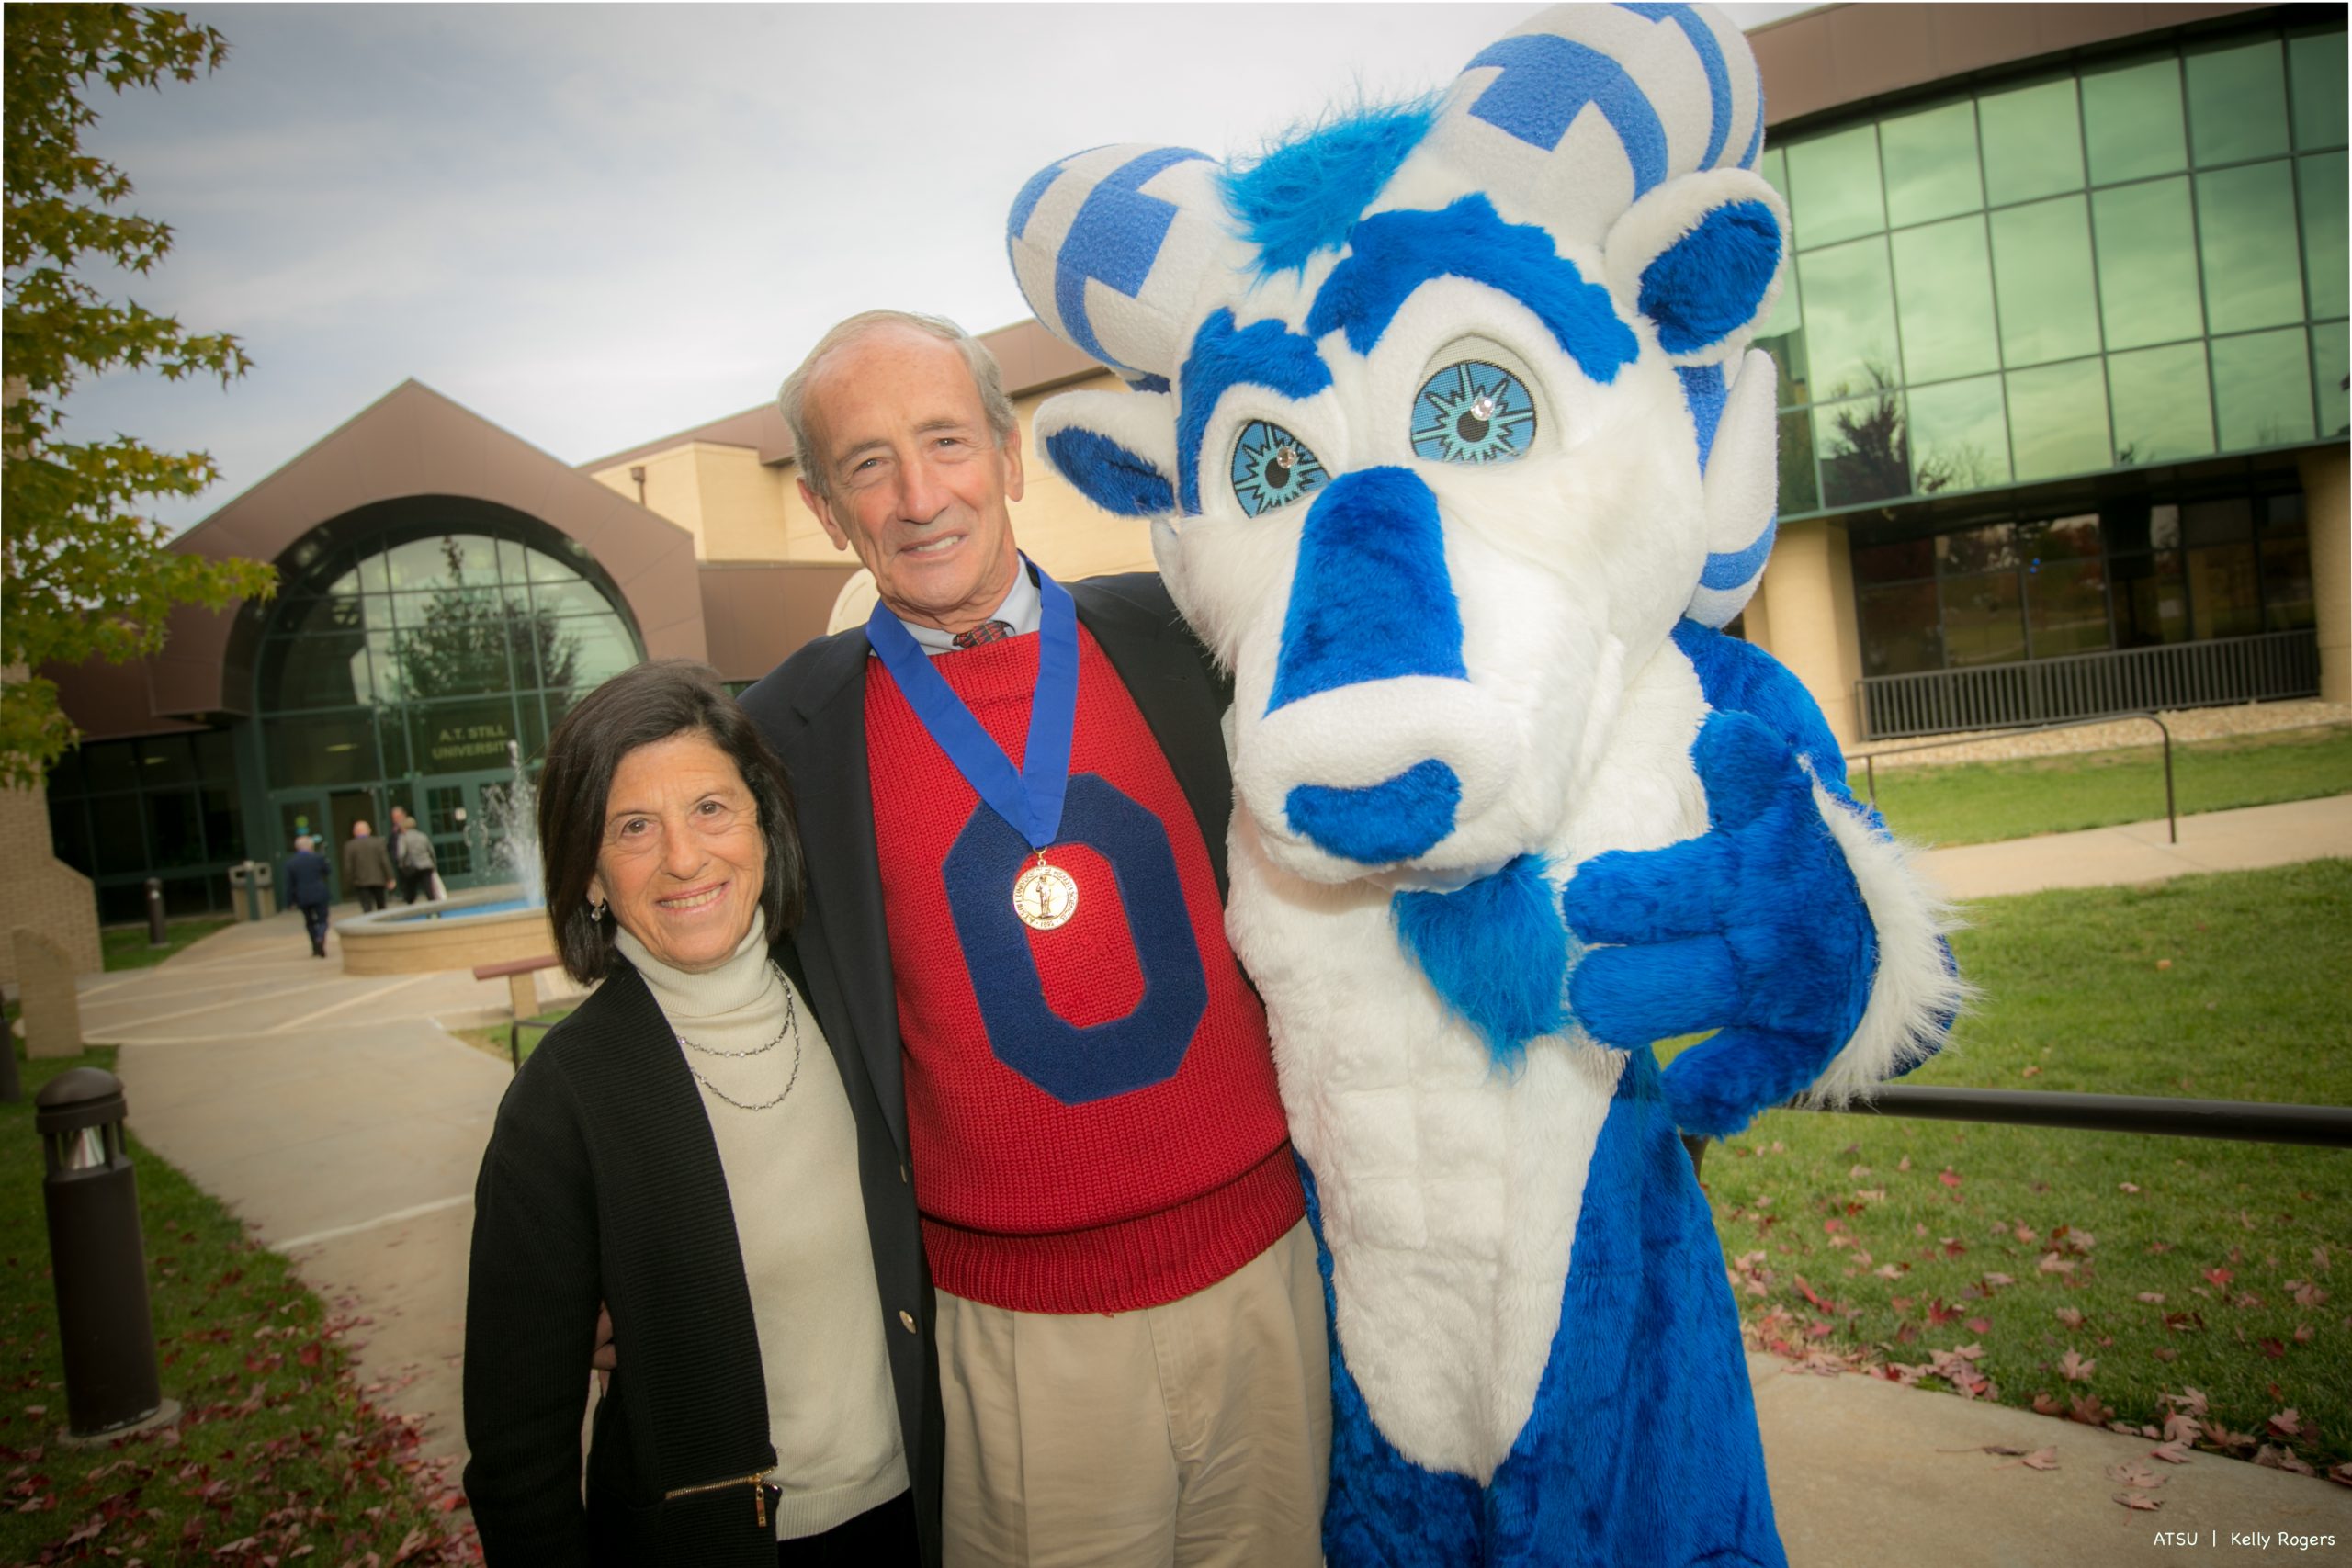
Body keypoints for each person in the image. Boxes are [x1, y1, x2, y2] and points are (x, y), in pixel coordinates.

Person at [738, 311, 1329, 1568]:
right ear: (831, 511)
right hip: (1016, 1333)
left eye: (946, 440)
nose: (917, 494)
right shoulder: (784, 735)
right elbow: (718, 1002)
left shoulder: (1190, 635)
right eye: (867, 463)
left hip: (1265, 1275)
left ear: (1009, 455)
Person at [463, 659, 937, 1566]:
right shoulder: (562, 1103)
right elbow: (519, 1449)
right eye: (633, 827)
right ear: (590, 872)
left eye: (710, 809)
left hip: (924, 1517)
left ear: (764, 822)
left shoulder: (853, 1002)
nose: (683, 858)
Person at [281, 834, 334, 959]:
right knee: (322, 920)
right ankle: (320, 936)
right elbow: (328, 871)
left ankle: (315, 947)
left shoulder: (291, 863)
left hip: (303, 896)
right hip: (319, 893)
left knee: (309, 922)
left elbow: (289, 884)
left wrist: (290, 902)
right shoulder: (318, 858)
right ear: (311, 846)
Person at [342, 819, 395, 913]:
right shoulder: (378, 842)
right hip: (378, 879)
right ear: (369, 830)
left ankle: (369, 925)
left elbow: (348, 866)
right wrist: (390, 877)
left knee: (367, 907)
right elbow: (385, 861)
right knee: (381, 906)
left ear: (355, 832)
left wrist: (350, 881)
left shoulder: (350, 846)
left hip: (361, 881)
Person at [389, 805, 438, 904]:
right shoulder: (423, 836)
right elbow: (431, 851)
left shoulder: (403, 838)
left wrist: (401, 865)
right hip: (426, 866)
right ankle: (435, 911)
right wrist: (433, 865)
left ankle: (412, 909)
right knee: (429, 891)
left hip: (411, 868)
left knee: (411, 892)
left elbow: (401, 854)